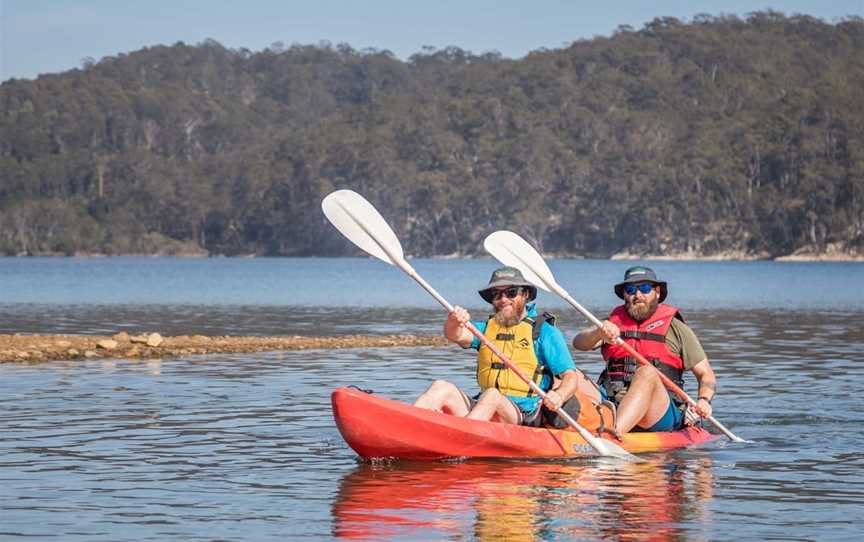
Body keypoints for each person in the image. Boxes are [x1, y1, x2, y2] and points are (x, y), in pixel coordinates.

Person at [413, 266, 599, 426]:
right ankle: (408, 425)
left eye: (511, 293)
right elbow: (455, 334)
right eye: (497, 294)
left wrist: (560, 395)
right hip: (482, 406)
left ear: (525, 295)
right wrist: (454, 320)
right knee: (441, 387)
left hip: (522, 412)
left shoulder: (544, 332)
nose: (503, 299)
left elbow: (570, 377)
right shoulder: (485, 329)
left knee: (492, 395)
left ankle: (460, 438)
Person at [571, 266, 716, 435]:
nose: (637, 295)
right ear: (624, 295)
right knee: (569, 372)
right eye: (631, 290)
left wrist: (704, 400)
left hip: (657, 411)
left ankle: (613, 434)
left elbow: (706, 374)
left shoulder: (676, 328)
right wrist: (598, 332)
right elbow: (579, 343)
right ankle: (552, 422)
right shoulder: (610, 325)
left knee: (647, 372)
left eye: (645, 289)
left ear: (657, 292)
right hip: (611, 400)